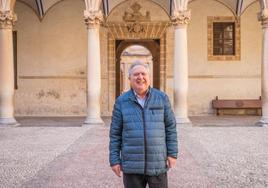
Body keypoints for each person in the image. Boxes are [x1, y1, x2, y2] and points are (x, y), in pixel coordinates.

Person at [109, 61, 178, 188]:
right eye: (136, 74)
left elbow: (170, 128)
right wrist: (114, 160)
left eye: (143, 74)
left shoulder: (162, 98)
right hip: (132, 166)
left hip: (157, 164)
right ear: (129, 78)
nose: (140, 77)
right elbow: (115, 134)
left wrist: (172, 154)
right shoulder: (121, 102)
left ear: (149, 77)